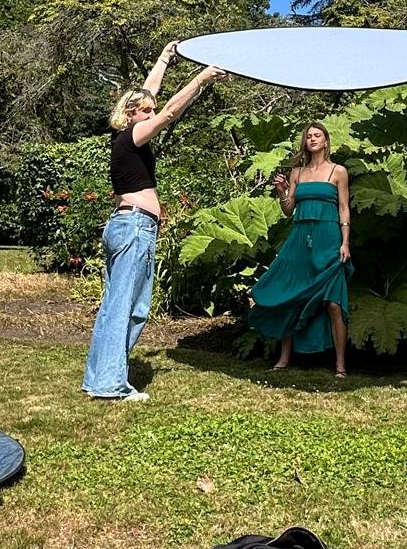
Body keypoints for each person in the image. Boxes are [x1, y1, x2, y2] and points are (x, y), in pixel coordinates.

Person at [82, 43, 225, 402]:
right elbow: (169, 113)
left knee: (124, 306)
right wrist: (200, 80)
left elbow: (151, 94)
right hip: (133, 228)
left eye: (150, 108)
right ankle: (109, 384)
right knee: (125, 308)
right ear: (129, 114)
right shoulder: (132, 136)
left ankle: (101, 378)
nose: (152, 111)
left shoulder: (125, 138)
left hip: (129, 226)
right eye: (143, 109)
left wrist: (164, 58)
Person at [249, 122, 352, 377]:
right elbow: (288, 210)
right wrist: (282, 192)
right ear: (304, 143)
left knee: (334, 304)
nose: (312, 139)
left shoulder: (338, 171)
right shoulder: (297, 172)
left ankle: (340, 364)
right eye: (308, 136)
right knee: (291, 296)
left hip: (329, 240)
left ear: (326, 141)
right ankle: (284, 357)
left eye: (317, 135)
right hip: (299, 240)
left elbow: (343, 208)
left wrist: (345, 242)